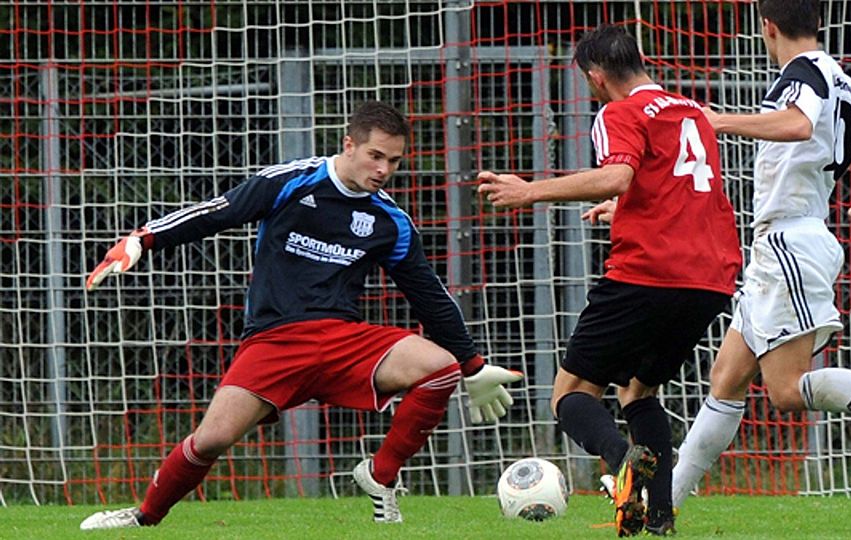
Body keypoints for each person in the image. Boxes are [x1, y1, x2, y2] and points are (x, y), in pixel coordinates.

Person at [79, 101, 523, 530]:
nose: (383, 169)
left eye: (393, 161)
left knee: (439, 367)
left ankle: (381, 475)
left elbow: (428, 294)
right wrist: (143, 238)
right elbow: (217, 212)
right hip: (275, 339)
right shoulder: (292, 181)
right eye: (375, 156)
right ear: (349, 145)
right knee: (212, 438)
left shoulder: (390, 221)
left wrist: (470, 364)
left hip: (342, 340)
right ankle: (144, 517)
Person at [671, 0, 851, 517]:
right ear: (818, 21)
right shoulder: (842, 82)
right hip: (783, 245)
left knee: (784, 390)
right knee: (727, 379)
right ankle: (659, 508)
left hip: (790, 243)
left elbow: (799, 125)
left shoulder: (803, 73)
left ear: (767, 27)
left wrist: (718, 121)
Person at [478, 24, 742, 536]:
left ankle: (623, 463)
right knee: (638, 391)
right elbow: (679, 187)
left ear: (596, 77)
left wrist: (529, 191)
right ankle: (659, 517)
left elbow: (619, 174)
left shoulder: (618, 112)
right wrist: (624, 207)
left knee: (569, 394)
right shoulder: (691, 112)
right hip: (710, 279)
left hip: (649, 272)